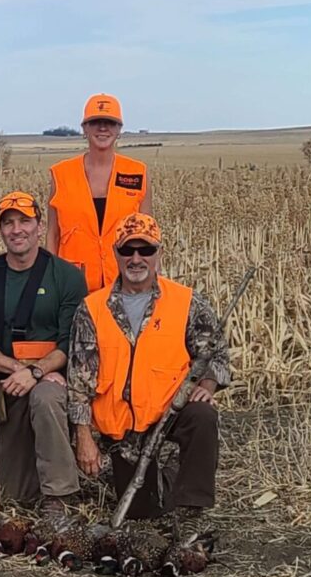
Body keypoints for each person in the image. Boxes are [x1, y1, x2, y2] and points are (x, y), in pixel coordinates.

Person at [67, 213, 230, 519]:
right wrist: (84, 437)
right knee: (142, 512)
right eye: (128, 250)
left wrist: (207, 386)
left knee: (203, 415)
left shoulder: (187, 302)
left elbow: (217, 354)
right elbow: (78, 381)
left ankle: (193, 508)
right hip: (120, 432)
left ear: (159, 254)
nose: (137, 259)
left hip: (171, 415)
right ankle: (167, 479)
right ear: (116, 254)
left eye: (146, 250)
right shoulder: (92, 308)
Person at [0, 191, 86, 507]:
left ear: (39, 226)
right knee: (16, 495)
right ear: (0, 231)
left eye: (25, 221)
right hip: (5, 386)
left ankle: (60, 497)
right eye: (8, 223)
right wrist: (19, 370)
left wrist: (38, 371)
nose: (17, 230)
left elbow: (73, 341)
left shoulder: (67, 276)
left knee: (45, 396)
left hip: (52, 382)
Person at [46, 93, 153, 293]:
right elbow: (52, 234)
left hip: (125, 284)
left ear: (119, 129)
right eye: (95, 122)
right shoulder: (61, 174)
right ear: (84, 128)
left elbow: (148, 235)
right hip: (73, 286)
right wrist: (52, 280)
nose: (103, 128)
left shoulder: (137, 173)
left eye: (110, 123)